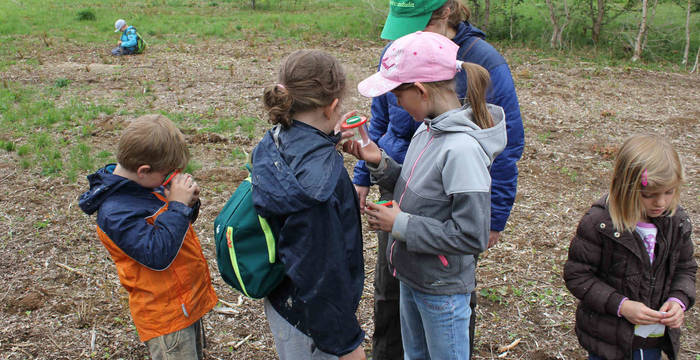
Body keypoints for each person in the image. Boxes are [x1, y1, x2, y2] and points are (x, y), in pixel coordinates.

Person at [353, 1, 525, 358]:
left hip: (442, 288)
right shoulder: (427, 131)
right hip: (414, 275)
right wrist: (379, 162)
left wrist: (400, 223)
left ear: (421, 90)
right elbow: (413, 186)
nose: (396, 104)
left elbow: (471, 234)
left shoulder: (460, 150)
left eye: (398, 94)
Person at [252, 49, 366, 360]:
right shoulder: (320, 186)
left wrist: (328, 137)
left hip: (284, 299)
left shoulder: (274, 138)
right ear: (332, 107)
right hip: (313, 319)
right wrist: (347, 344)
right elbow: (320, 273)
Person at [78, 114, 218, 359]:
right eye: (168, 175)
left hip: (183, 302)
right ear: (144, 170)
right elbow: (157, 253)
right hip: (166, 317)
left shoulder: (144, 186)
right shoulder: (116, 213)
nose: (171, 179)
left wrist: (188, 205)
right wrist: (177, 206)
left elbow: (174, 230)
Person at [563, 134, 696, 360]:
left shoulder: (676, 221)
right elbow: (578, 276)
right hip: (608, 339)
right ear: (626, 187)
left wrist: (678, 300)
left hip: (653, 335)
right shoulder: (601, 223)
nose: (661, 203)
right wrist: (622, 305)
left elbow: (685, 268)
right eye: (648, 195)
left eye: (669, 192)